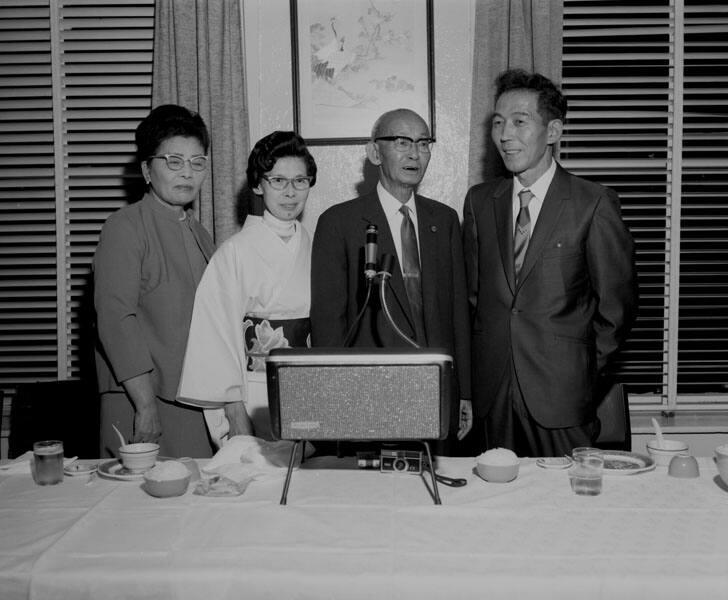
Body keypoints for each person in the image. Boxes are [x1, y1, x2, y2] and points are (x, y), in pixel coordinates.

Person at [461, 69, 638, 457]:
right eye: (498, 123)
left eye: (520, 122)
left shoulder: (592, 203)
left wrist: (580, 378)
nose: (505, 135)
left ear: (553, 131)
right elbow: (473, 301)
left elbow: (616, 311)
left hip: (562, 400)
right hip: (492, 397)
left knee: (566, 512)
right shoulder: (479, 202)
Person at [310, 108, 473, 454]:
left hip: (437, 391)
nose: (415, 153)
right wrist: (335, 400)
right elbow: (329, 322)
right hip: (371, 395)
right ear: (374, 152)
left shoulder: (444, 220)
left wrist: (465, 391)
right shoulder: (338, 223)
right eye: (401, 142)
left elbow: (458, 311)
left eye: (424, 143)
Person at [177, 131, 316, 446]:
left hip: (305, 385)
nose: (290, 192)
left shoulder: (315, 246)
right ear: (258, 184)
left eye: (300, 181)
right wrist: (234, 410)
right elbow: (214, 335)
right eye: (277, 181)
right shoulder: (234, 251)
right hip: (252, 388)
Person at [93, 104, 216, 459]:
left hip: (193, 398)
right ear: (147, 169)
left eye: (197, 162)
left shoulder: (199, 232)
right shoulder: (125, 227)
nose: (187, 173)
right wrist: (145, 406)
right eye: (173, 161)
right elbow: (116, 320)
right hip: (140, 400)